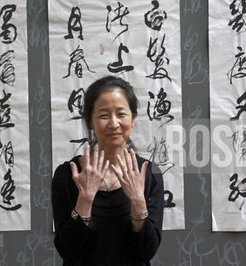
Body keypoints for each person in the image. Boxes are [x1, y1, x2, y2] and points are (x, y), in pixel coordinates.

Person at [52, 76, 164, 265]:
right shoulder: (68, 175)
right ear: (89, 122)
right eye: (104, 115)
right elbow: (67, 250)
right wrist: (85, 199)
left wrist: (138, 201)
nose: (113, 123)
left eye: (121, 114)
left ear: (133, 119)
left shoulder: (149, 173)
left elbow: (147, 251)